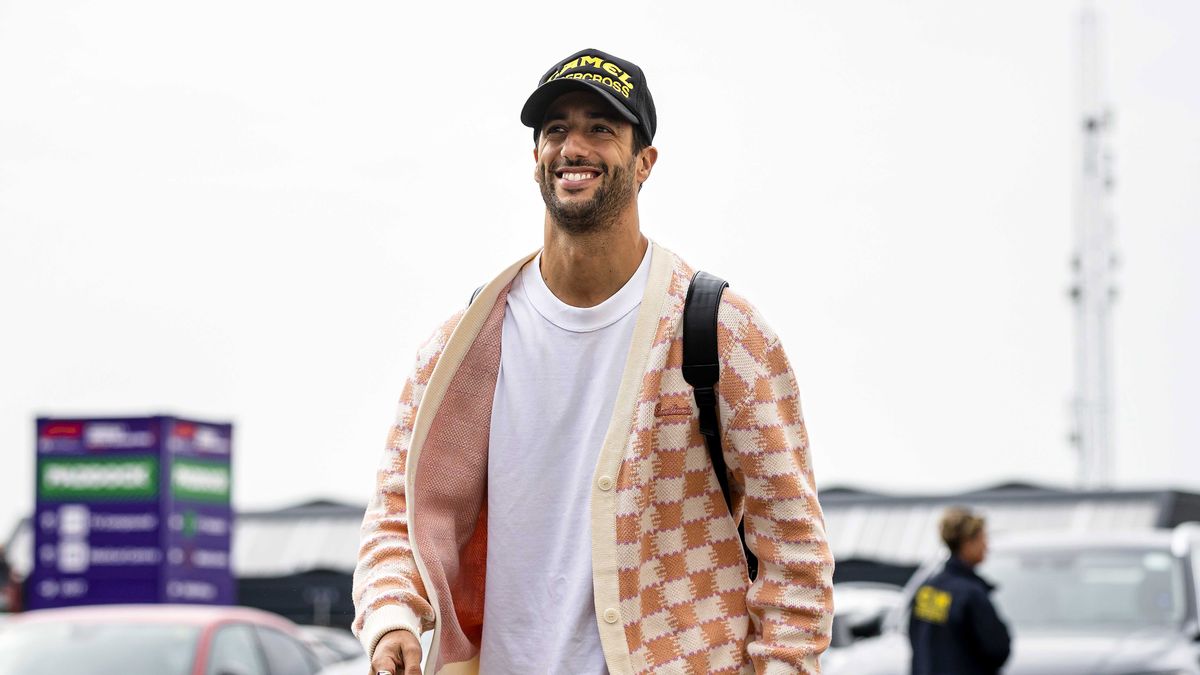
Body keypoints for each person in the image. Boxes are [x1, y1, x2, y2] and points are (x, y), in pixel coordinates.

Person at [353, 48, 834, 675]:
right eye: (555, 129)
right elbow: (398, 515)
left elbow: (795, 550)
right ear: (535, 157)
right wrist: (392, 616)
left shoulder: (721, 333)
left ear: (644, 162)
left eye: (600, 128)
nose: (573, 146)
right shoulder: (465, 346)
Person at [909, 507, 1011, 675]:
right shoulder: (970, 594)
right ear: (967, 543)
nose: (986, 546)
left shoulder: (931, 589)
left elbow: (922, 639)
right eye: (982, 538)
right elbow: (997, 648)